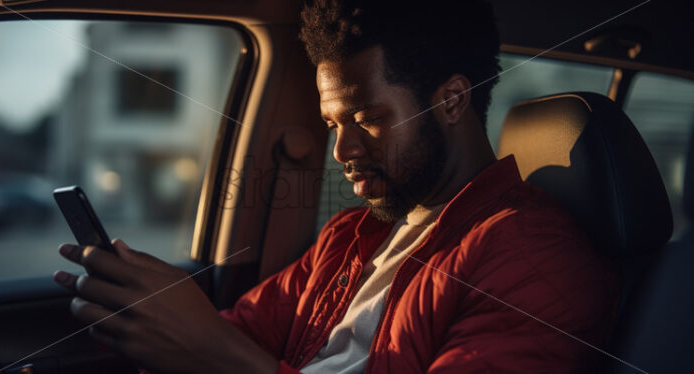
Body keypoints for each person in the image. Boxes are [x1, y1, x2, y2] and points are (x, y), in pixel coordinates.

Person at [53, 1, 619, 373]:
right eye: (332, 126)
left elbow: (219, 348)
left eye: (366, 118)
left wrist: (220, 356)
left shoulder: (534, 258)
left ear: (450, 100)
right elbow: (237, 330)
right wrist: (141, 307)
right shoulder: (349, 238)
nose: (343, 151)